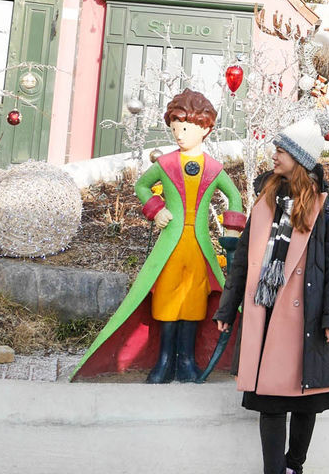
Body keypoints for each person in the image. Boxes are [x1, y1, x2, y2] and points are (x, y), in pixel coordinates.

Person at [214, 117, 329, 474]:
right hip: (265, 313)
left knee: (306, 402)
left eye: (282, 150)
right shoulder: (264, 201)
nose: (274, 154)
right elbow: (243, 262)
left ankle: (294, 468)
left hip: (307, 321)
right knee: (272, 405)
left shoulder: (328, 208)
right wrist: (227, 305)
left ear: (302, 159)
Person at [71, 89, 245, 382]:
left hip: (198, 249)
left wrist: (231, 231)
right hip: (169, 248)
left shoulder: (214, 169)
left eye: (186, 128)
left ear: (205, 128)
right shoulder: (165, 164)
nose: (179, 134)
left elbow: (234, 197)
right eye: (175, 128)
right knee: (165, 300)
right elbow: (141, 186)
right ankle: (164, 360)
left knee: (193, 303)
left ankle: (187, 360)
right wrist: (156, 208)